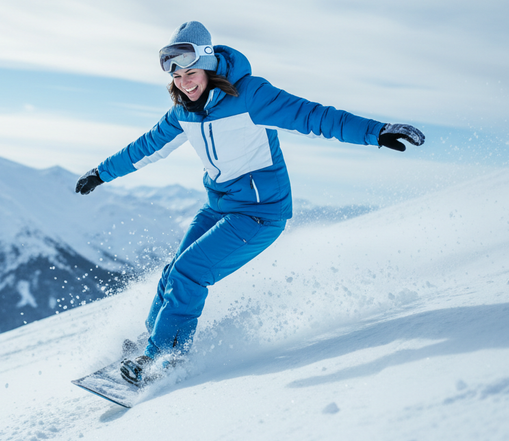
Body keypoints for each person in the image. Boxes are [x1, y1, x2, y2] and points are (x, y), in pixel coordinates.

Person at [74, 21, 424, 386]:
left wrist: (376, 131)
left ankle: (162, 357)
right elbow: (146, 147)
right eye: (177, 76)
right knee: (173, 271)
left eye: (191, 72)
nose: (185, 82)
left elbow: (313, 116)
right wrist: (101, 173)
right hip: (219, 206)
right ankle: (154, 339)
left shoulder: (251, 96)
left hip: (260, 212)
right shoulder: (183, 112)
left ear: (208, 65)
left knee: (189, 272)